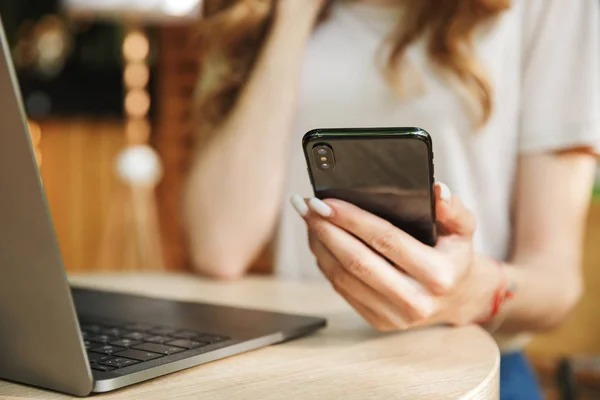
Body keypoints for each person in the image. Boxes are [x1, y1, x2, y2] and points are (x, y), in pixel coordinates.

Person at [184, 0, 600, 398]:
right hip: (307, 367)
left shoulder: (548, 7)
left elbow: (557, 283)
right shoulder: (252, 12)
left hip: (472, 374)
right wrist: (293, 13)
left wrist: (469, 291)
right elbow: (219, 247)